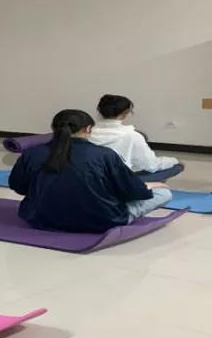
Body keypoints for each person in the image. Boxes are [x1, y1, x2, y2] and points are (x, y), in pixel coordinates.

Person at [11, 109, 173, 234]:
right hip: (101, 221)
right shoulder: (105, 155)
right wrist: (149, 186)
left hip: (39, 218)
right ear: (88, 129)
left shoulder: (32, 153)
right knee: (163, 193)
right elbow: (131, 192)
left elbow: (18, 186)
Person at [88, 94, 183, 181]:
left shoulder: (87, 133)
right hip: (119, 182)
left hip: (91, 180)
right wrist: (174, 160)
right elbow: (152, 165)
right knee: (178, 166)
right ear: (125, 113)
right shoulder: (132, 135)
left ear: (99, 111)